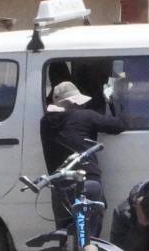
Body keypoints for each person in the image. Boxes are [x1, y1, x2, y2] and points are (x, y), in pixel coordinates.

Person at [39, 81, 124, 235]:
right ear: (75, 102)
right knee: (89, 236)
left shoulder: (44, 123)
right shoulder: (86, 116)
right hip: (87, 181)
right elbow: (118, 125)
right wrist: (111, 102)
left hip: (60, 185)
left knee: (66, 234)